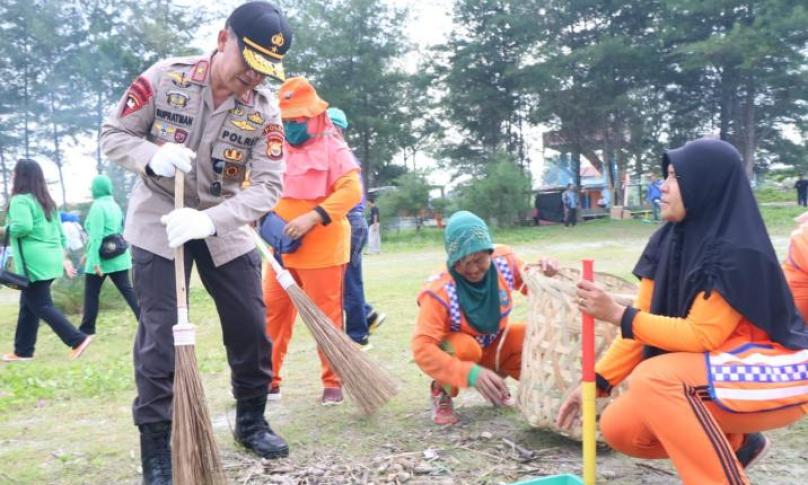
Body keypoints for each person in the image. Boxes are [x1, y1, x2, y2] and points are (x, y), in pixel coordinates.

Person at [100, 2, 292, 481]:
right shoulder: (165, 79)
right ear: (224, 38)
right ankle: (158, 450)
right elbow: (113, 134)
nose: (254, 78)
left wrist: (212, 222)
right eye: (249, 63)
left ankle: (251, 419)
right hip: (159, 216)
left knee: (250, 321)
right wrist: (152, 155)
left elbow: (269, 185)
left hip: (221, 217)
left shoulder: (265, 110)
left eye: (265, 70)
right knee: (160, 336)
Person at [558, 139, 808, 485]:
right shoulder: (665, 241)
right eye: (666, 175)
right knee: (621, 427)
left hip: (774, 377)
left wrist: (617, 313)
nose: (663, 185)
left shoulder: (736, 250)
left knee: (657, 378)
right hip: (716, 378)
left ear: (705, 183)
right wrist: (596, 383)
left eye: (675, 176)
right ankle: (738, 445)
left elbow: (702, 334)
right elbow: (640, 324)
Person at [263, 78, 362, 405]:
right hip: (279, 250)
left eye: (297, 121)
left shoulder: (334, 146)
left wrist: (313, 216)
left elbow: (352, 190)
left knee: (326, 319)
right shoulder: (273, 146)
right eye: (286, 120)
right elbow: (255, 183)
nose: (291, 127)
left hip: (322, 250)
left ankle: (333, 382)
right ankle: (268, 380)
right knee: (272, 315)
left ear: (314, 115)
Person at [412, 211, 559, 425]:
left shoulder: (504, 262)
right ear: (452, 260)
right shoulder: (439, 291)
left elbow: (537, 288)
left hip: (493, 343)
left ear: (489, 252)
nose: (472, 269)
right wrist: (468, 373)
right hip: (462, 351)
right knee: (465, 348)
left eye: (479, 260)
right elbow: (422, 348)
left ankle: (500, 384)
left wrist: (547, 274)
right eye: (463, 263)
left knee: (529, 336)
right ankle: (441, 390)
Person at [1, 159, 93, 362]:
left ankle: (77, 339)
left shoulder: (20, 200)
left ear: (21, 176)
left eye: (14, 173)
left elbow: (22, 227)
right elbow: (61, 235)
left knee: (40, 304)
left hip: (34, 263)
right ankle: (23, 351)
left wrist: (4, 229)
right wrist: (64, 259)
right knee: (28, 305)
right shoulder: (47, 202)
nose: (12, 176)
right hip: (51, 260)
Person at [326, 107, 386, 347]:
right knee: (347, 279)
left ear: (337, 129)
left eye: (328, 127)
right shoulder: (343, 153)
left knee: (347, 281)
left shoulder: (339, 155)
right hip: (353, 222)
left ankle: (357, 334)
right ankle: (366, 314)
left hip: (350, 221)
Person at [79, 174, 140, 335]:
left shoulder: (98, 207)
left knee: (91, 294)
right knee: (128, 291)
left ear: (96, 189)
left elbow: (96, 236)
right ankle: (145, 320)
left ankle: (87, 330)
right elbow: (118, 231)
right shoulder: (114, 205)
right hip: (119, 257)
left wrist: (94, 261)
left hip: (101, 259)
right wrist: (88, 254)